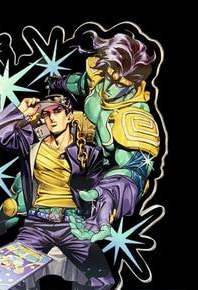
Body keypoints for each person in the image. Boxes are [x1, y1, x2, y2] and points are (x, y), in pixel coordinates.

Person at [0, 94, 122, 290]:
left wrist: (103, 211)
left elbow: (97, 192)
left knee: (103, 281)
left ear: (69, 115)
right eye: (46, 114)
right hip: (37, 224)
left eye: (57, 111)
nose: (51, 118)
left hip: (72, 224)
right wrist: (20, 112)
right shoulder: (31, 143)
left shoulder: (89, 152)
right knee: (9, 279)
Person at [48, 31, 160, 242]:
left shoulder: (134, 117)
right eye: (109, 75)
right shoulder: (101, 79)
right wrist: (56, 83)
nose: (109, 86)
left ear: (133, 83)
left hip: (98, 174)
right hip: (78, 145)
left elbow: (136, 171)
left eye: (119, 83)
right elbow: (80, 83)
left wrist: (109, 194)